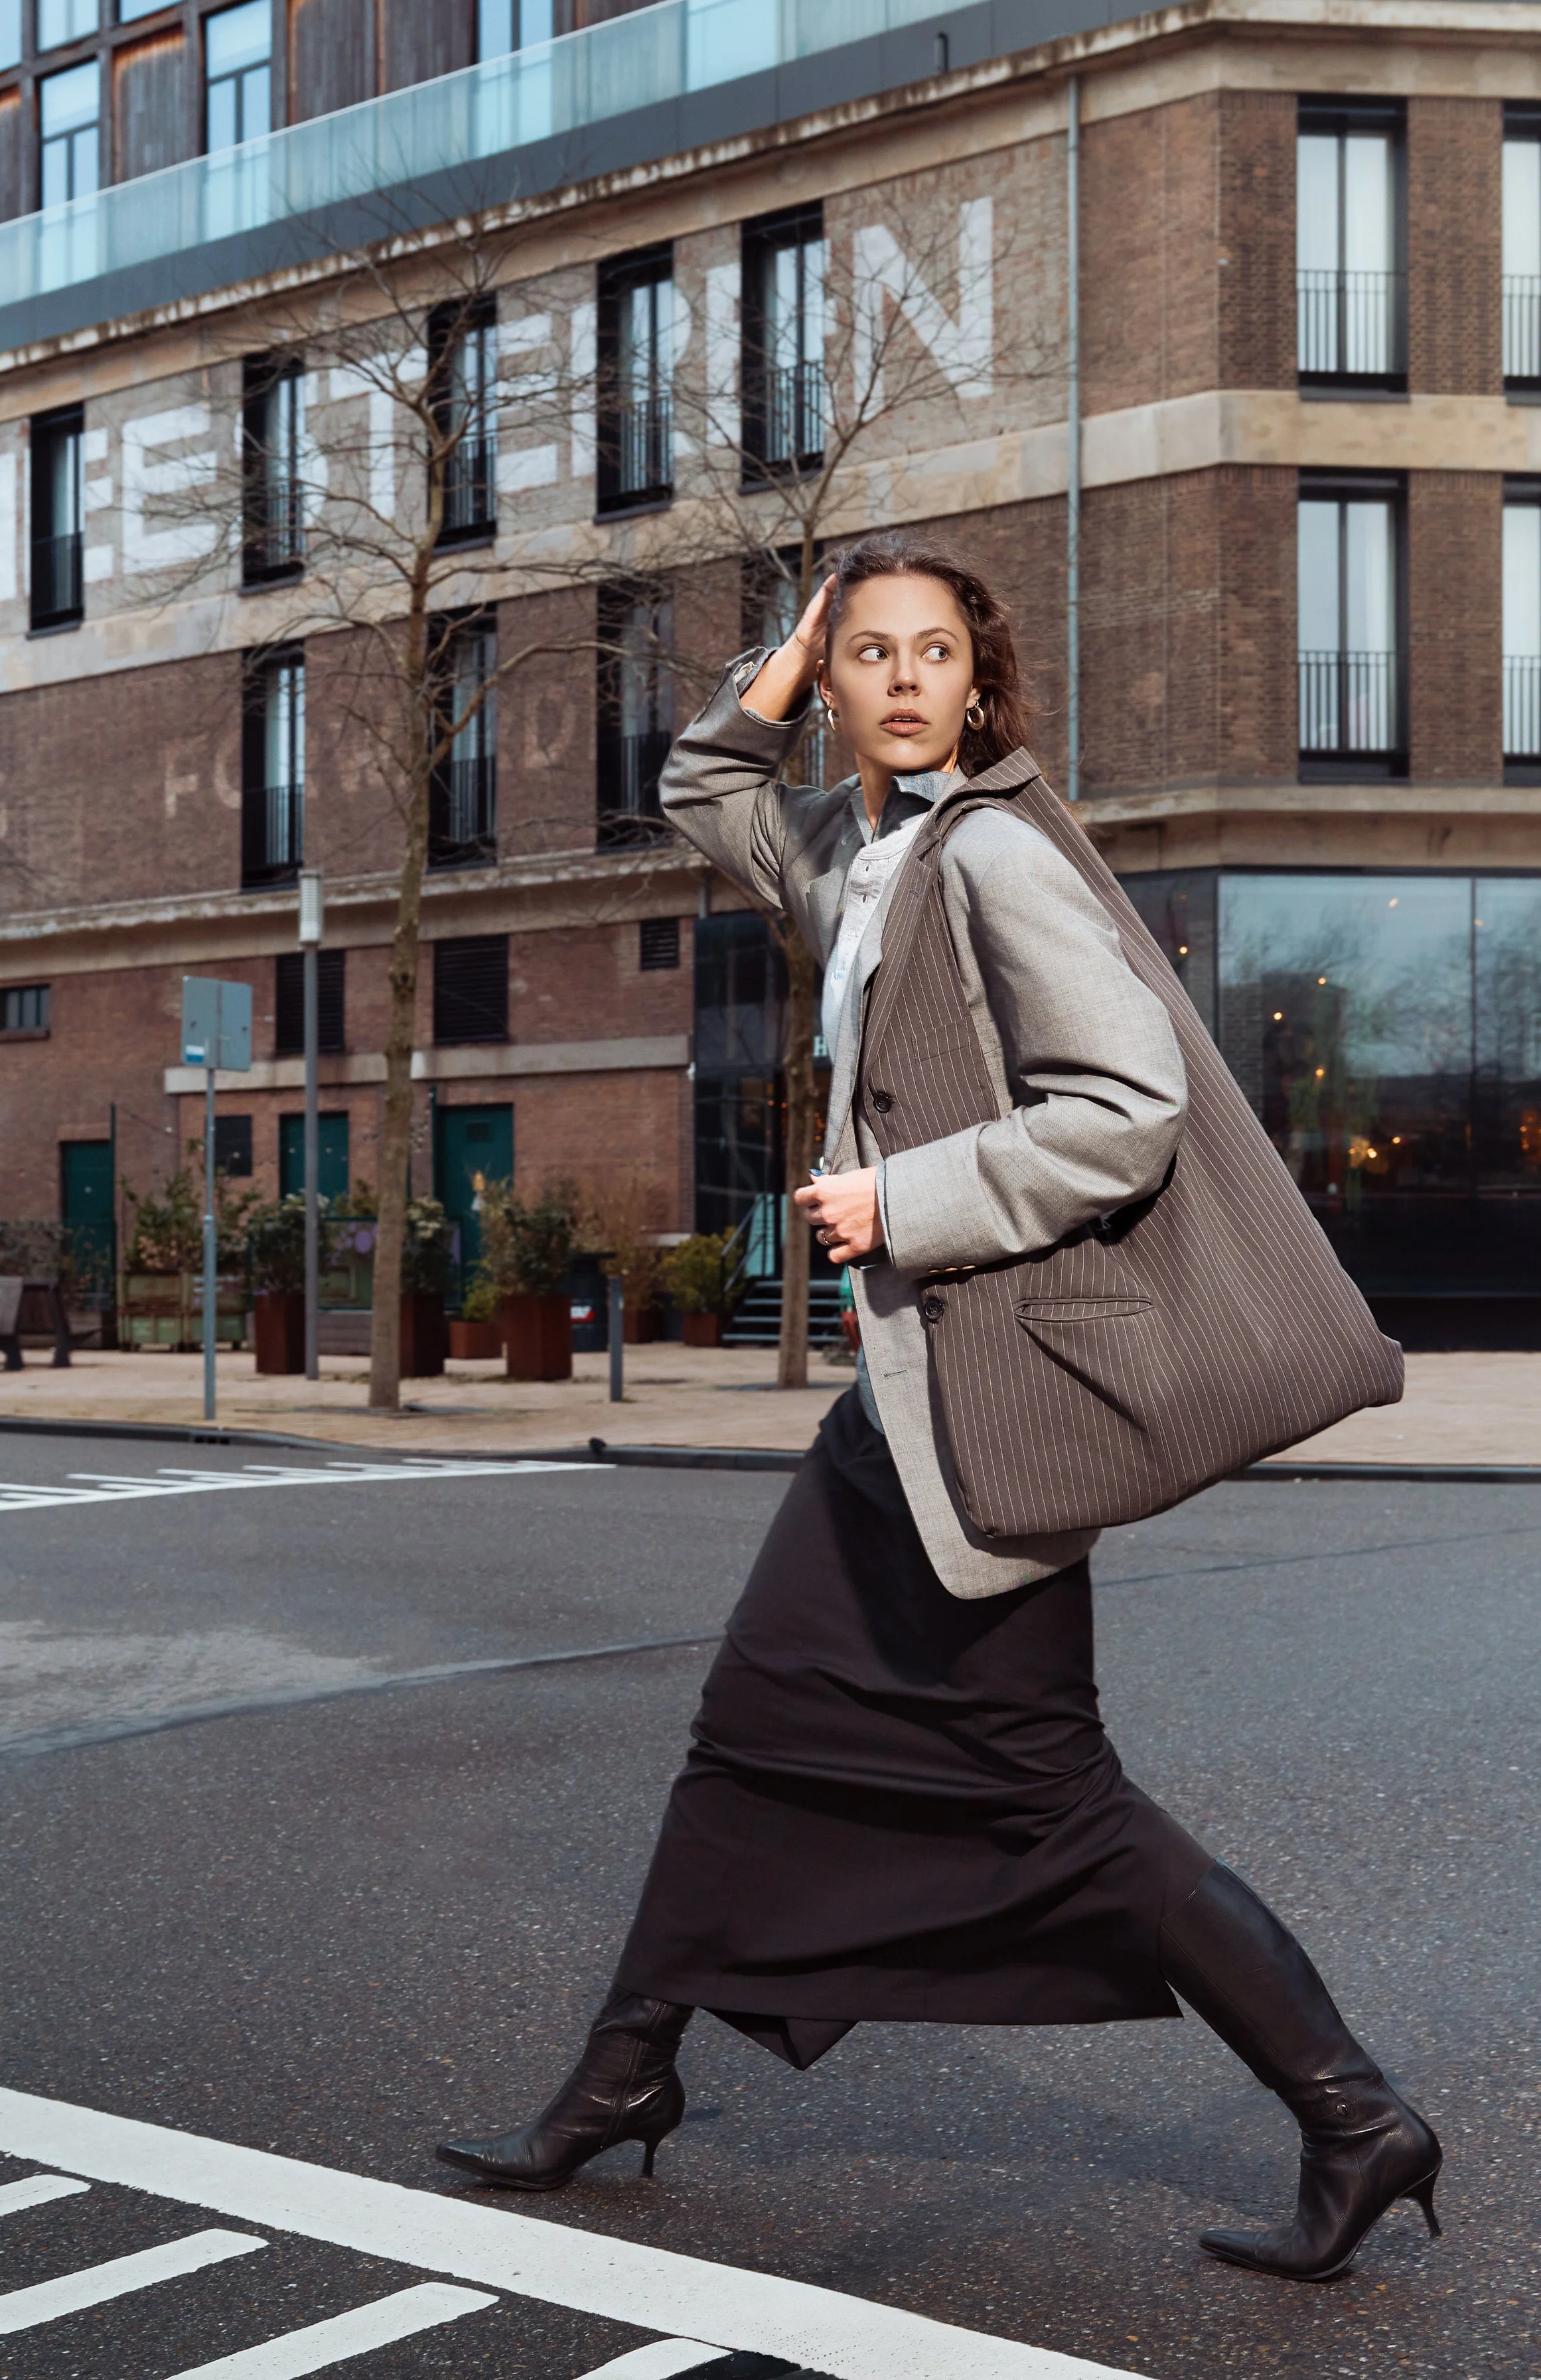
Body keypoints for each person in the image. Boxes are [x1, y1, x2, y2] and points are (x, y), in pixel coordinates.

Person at [437, 533, 1440, 2282]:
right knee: (756, 1727)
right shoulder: (865, 856)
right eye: (866, 655)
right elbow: (701, 785)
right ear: (836, 686)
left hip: (984, 1398)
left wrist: (906, 1200)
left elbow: (1124, 1103)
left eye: (931, 654)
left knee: (1043, 1797)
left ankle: (1354, 2114)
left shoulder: (991, 858)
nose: (901, 679)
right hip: (913, 1399)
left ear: (979, 688)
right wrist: (784, 646)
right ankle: (622, 2075)